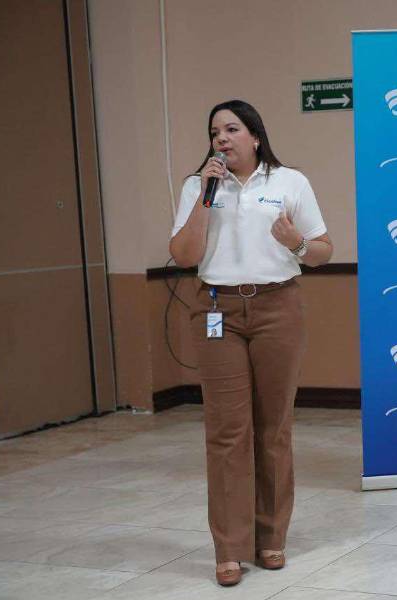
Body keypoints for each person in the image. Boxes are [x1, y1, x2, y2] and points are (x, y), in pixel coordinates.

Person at [169, 99, 333, 587]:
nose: (221, 138)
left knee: (273, 427)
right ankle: (229, 548)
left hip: (277, 308)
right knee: (226, 432)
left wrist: (296, 244)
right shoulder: (198, 187)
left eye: (232, 129)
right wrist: (205, 196)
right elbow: (183, 255)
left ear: (255, 136)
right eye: (215, 132)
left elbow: (323, 252)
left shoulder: (290, 182)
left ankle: (270, 538)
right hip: (217, 309)